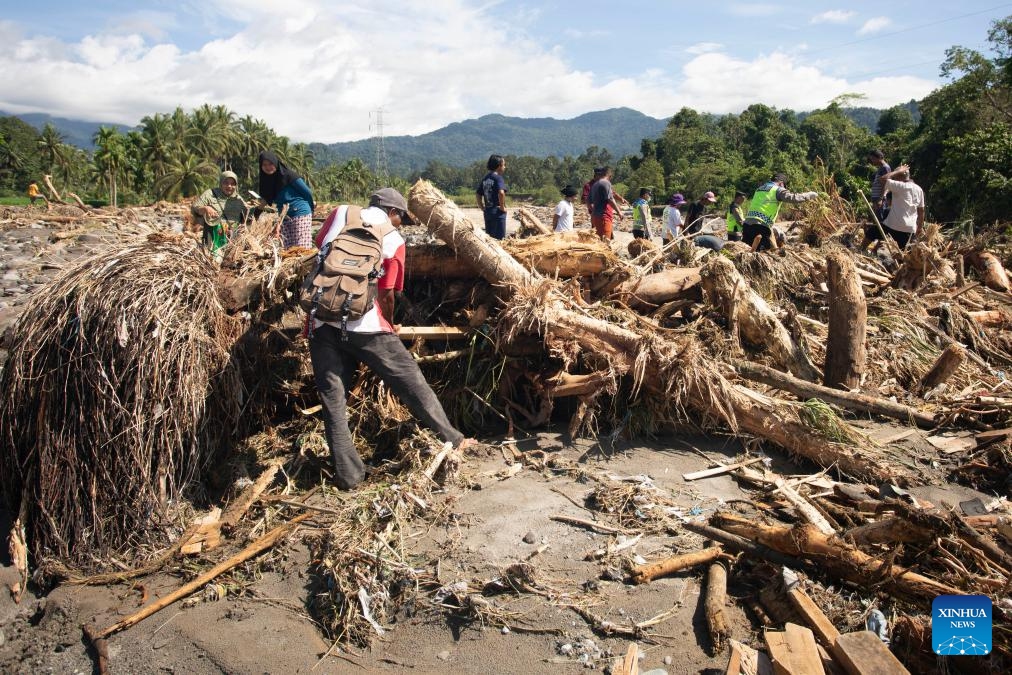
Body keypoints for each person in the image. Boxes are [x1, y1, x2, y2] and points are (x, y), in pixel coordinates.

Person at [309, 187, 474, 489]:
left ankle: (349, 476)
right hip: (366, 324)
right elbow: (387, 293)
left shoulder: (341, 212)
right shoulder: (394, 239)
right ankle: (453, 439)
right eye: (401, 218)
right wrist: (391, 324)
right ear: (393, 212)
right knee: (411, 382)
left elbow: (321, 249)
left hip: (322, 319)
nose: (400, 224)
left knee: (333, 401)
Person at [742, 173, 819, 251]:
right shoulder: (777, 189)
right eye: (784, 186)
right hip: (760, 227)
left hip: (747, 225)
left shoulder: (759, 189)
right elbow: (793, 198)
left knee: (747, 252)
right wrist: (809, 195)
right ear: (781, 183)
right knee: (763, 254)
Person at [258, 150, 315, 249]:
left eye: (270, 163)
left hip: (300, 213)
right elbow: (264, 200)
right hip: (283, 218)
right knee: (287, 249)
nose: (267, 167)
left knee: (301, 249)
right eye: (264, 165)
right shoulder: (266, 181)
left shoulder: (289, 175)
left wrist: (311, 209)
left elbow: (307, 193)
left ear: (275, 162)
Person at [191, 170, 249, 260]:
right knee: (215, 259)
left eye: (233, 184)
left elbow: (247, 216)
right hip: (214, 236)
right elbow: (195, 207)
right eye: (226, 183)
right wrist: (205, 208)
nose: (229, 186)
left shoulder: (238, 198)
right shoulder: (210, 194)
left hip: (232, 238)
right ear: (221, 183)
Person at [873, 164, 925, 249]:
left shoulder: (900, 185)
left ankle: (861, 250)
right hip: (910, 229)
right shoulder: (919, 189)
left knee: (871, 234)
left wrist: (898, 171)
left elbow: (882, 179)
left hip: (893, 225)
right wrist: (919, 227)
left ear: (899, 176)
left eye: (895, 176)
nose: (894, 179)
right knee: (902, 255)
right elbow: (921, 210)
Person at [477, 154, 508, 239]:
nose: (505, 167)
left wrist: (482, 207)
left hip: (488, 212)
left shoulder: (485, 178)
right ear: (499, 166)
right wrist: (502, 207)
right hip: (497, 212)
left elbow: (478, 194)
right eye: (504, 165)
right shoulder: (498, 178)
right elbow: (501, 193)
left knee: (490, 238)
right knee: (500, 239)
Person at [589, 166, 625, 240]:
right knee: (605, 242)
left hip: (596, 217)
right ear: (609, 175)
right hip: (604, 217)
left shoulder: (594, 185)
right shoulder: (606, 183)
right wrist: (619, 212)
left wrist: (594, 212)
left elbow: (588, 201)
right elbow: (610, 199)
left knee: (598, 241)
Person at [867, 149, 891, 222]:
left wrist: (881, 198)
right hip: (876, 198)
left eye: (873, 159)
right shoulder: (881, 168)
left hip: (879, 199)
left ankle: (882, 233)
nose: (872, 161)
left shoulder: (885, 168)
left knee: (881, 219)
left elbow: (886, 183)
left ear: (880, 157)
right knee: (877, 219)